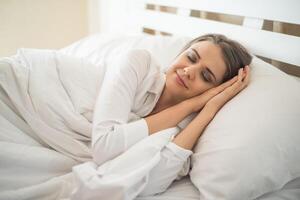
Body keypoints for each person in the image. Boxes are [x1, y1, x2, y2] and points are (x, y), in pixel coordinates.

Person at [91, 33, 252, 195]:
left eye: (205, 76)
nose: (188, 71)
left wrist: (208, 110)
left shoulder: (185, 131)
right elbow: (103, 147)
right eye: (191, 57)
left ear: (215, 91)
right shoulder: (139, 63)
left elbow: (148, 184)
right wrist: (190, 104)